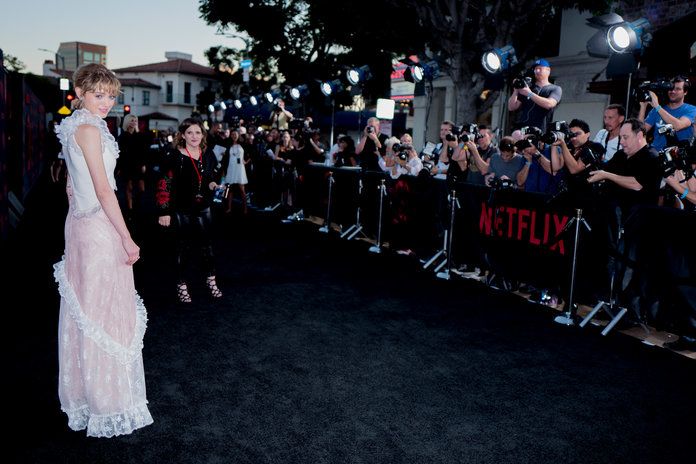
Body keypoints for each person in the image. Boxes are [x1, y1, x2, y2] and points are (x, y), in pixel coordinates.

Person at [53, 63, 153, 437]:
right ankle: (108, 402)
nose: (107, 102)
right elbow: (103, 189)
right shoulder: (89, 130)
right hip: (97, 228)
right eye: (99, 94)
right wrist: (125, 236)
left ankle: (87, 398)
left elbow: (68, 187)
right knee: (105, 313)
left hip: (79, 225)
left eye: (111, 95)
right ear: (79, 91)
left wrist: (76, 221)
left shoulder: (71, 127)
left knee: (87, 311)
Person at [157, 118, 224, 303]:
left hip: (204, 207)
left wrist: (212, 184)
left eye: (197, 132)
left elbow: (209, 175)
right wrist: (164, 211)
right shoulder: (173, 156)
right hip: (181, 208)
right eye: (190, 132)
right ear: (183, 135)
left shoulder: (208, 154)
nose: (194, 136)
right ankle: (181, 285)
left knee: (207, 247)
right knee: (183, 248)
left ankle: (211, 281)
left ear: (202, 135)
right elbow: (165, 184)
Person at [638, 76, 696, 150]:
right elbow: (640, 132)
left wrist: (657, 106)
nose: (673, 91)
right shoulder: (657, 110)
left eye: (677, 89)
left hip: (677, 156)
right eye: (670, 88)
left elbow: (678, 126)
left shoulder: (691, 109)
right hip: (656, 155)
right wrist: (643, 107)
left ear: (685, 92)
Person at [507, 59, 562, 131]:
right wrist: (516, 90)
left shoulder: (555, 88)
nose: (537, 71)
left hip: (541, 131)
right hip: (523, 130)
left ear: (548, 70)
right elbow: (511, 107)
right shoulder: (528, 87)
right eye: (535, 69)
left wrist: (529, 94)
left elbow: (549, 104)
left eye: (540, 68)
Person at [117, 114, 148, 217]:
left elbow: (143, 151)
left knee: (141, 189)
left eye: (135, 121)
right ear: (127, 122)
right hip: (127, 165)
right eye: (132, 120)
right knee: (129, 188)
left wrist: (143, 164)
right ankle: (130, 210)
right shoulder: (123, 136)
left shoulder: (139, 135)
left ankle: (136, 205)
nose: (134, 122)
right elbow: (120, 154)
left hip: (138, 165)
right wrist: (119, 168)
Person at [222, 129, 249, 214]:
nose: (234, 136)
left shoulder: (243, 144)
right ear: (231, 135)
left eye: (236, 134)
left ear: (238, 135)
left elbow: (251, 153)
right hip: (230, 168)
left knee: (242, 190)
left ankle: (245, 209)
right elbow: (224, 157)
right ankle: (229, 208)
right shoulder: (227, 145)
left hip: (240, 169)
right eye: (232, 134)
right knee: (229, 190)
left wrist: (246, 161)